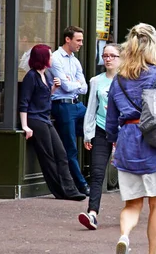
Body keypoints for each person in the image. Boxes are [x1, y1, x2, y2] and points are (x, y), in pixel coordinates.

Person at [106, 23, 156, 254]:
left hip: (128, 142)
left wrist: (113, 140)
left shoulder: (118, 79)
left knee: (131, 204)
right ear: (153, 45)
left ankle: (124, 235)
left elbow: (111, 118)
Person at [19, 44, 86, 201]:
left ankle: (70, 190)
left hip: (45, 118)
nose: (52, 58)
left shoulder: (46, 74)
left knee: (61, 153)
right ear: (42, 58)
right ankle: (61, 191)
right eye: (49, 55)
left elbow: (43, 97)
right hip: (35, 119)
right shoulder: (31, 76)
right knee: (47, 156)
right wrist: (25, 125)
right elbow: (24, 102)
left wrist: (54, 88)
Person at [78, 43, 121, 230]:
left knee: (130, 175)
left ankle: (132, 212)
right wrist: (88, 134)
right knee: (97, 173)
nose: (108, 59)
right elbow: (91, 109)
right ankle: (92, 213)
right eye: (105, 56)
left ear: (121, 58)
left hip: (123, 132)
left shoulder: (128, 80)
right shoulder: (96, 81)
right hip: (101, 131)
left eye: (112, 56)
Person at [50, 26, 89, 196]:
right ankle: (81, 184)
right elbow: (65, 87)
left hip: (77, 105)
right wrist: (76, 84)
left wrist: (75, 84)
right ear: (68, 39)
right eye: (78, 40)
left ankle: (93, 175)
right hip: (63, 105)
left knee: (96, 129)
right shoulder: (55, 58)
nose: (81, 43)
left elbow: (85, 88)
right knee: (70, 147)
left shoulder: (75, 60)